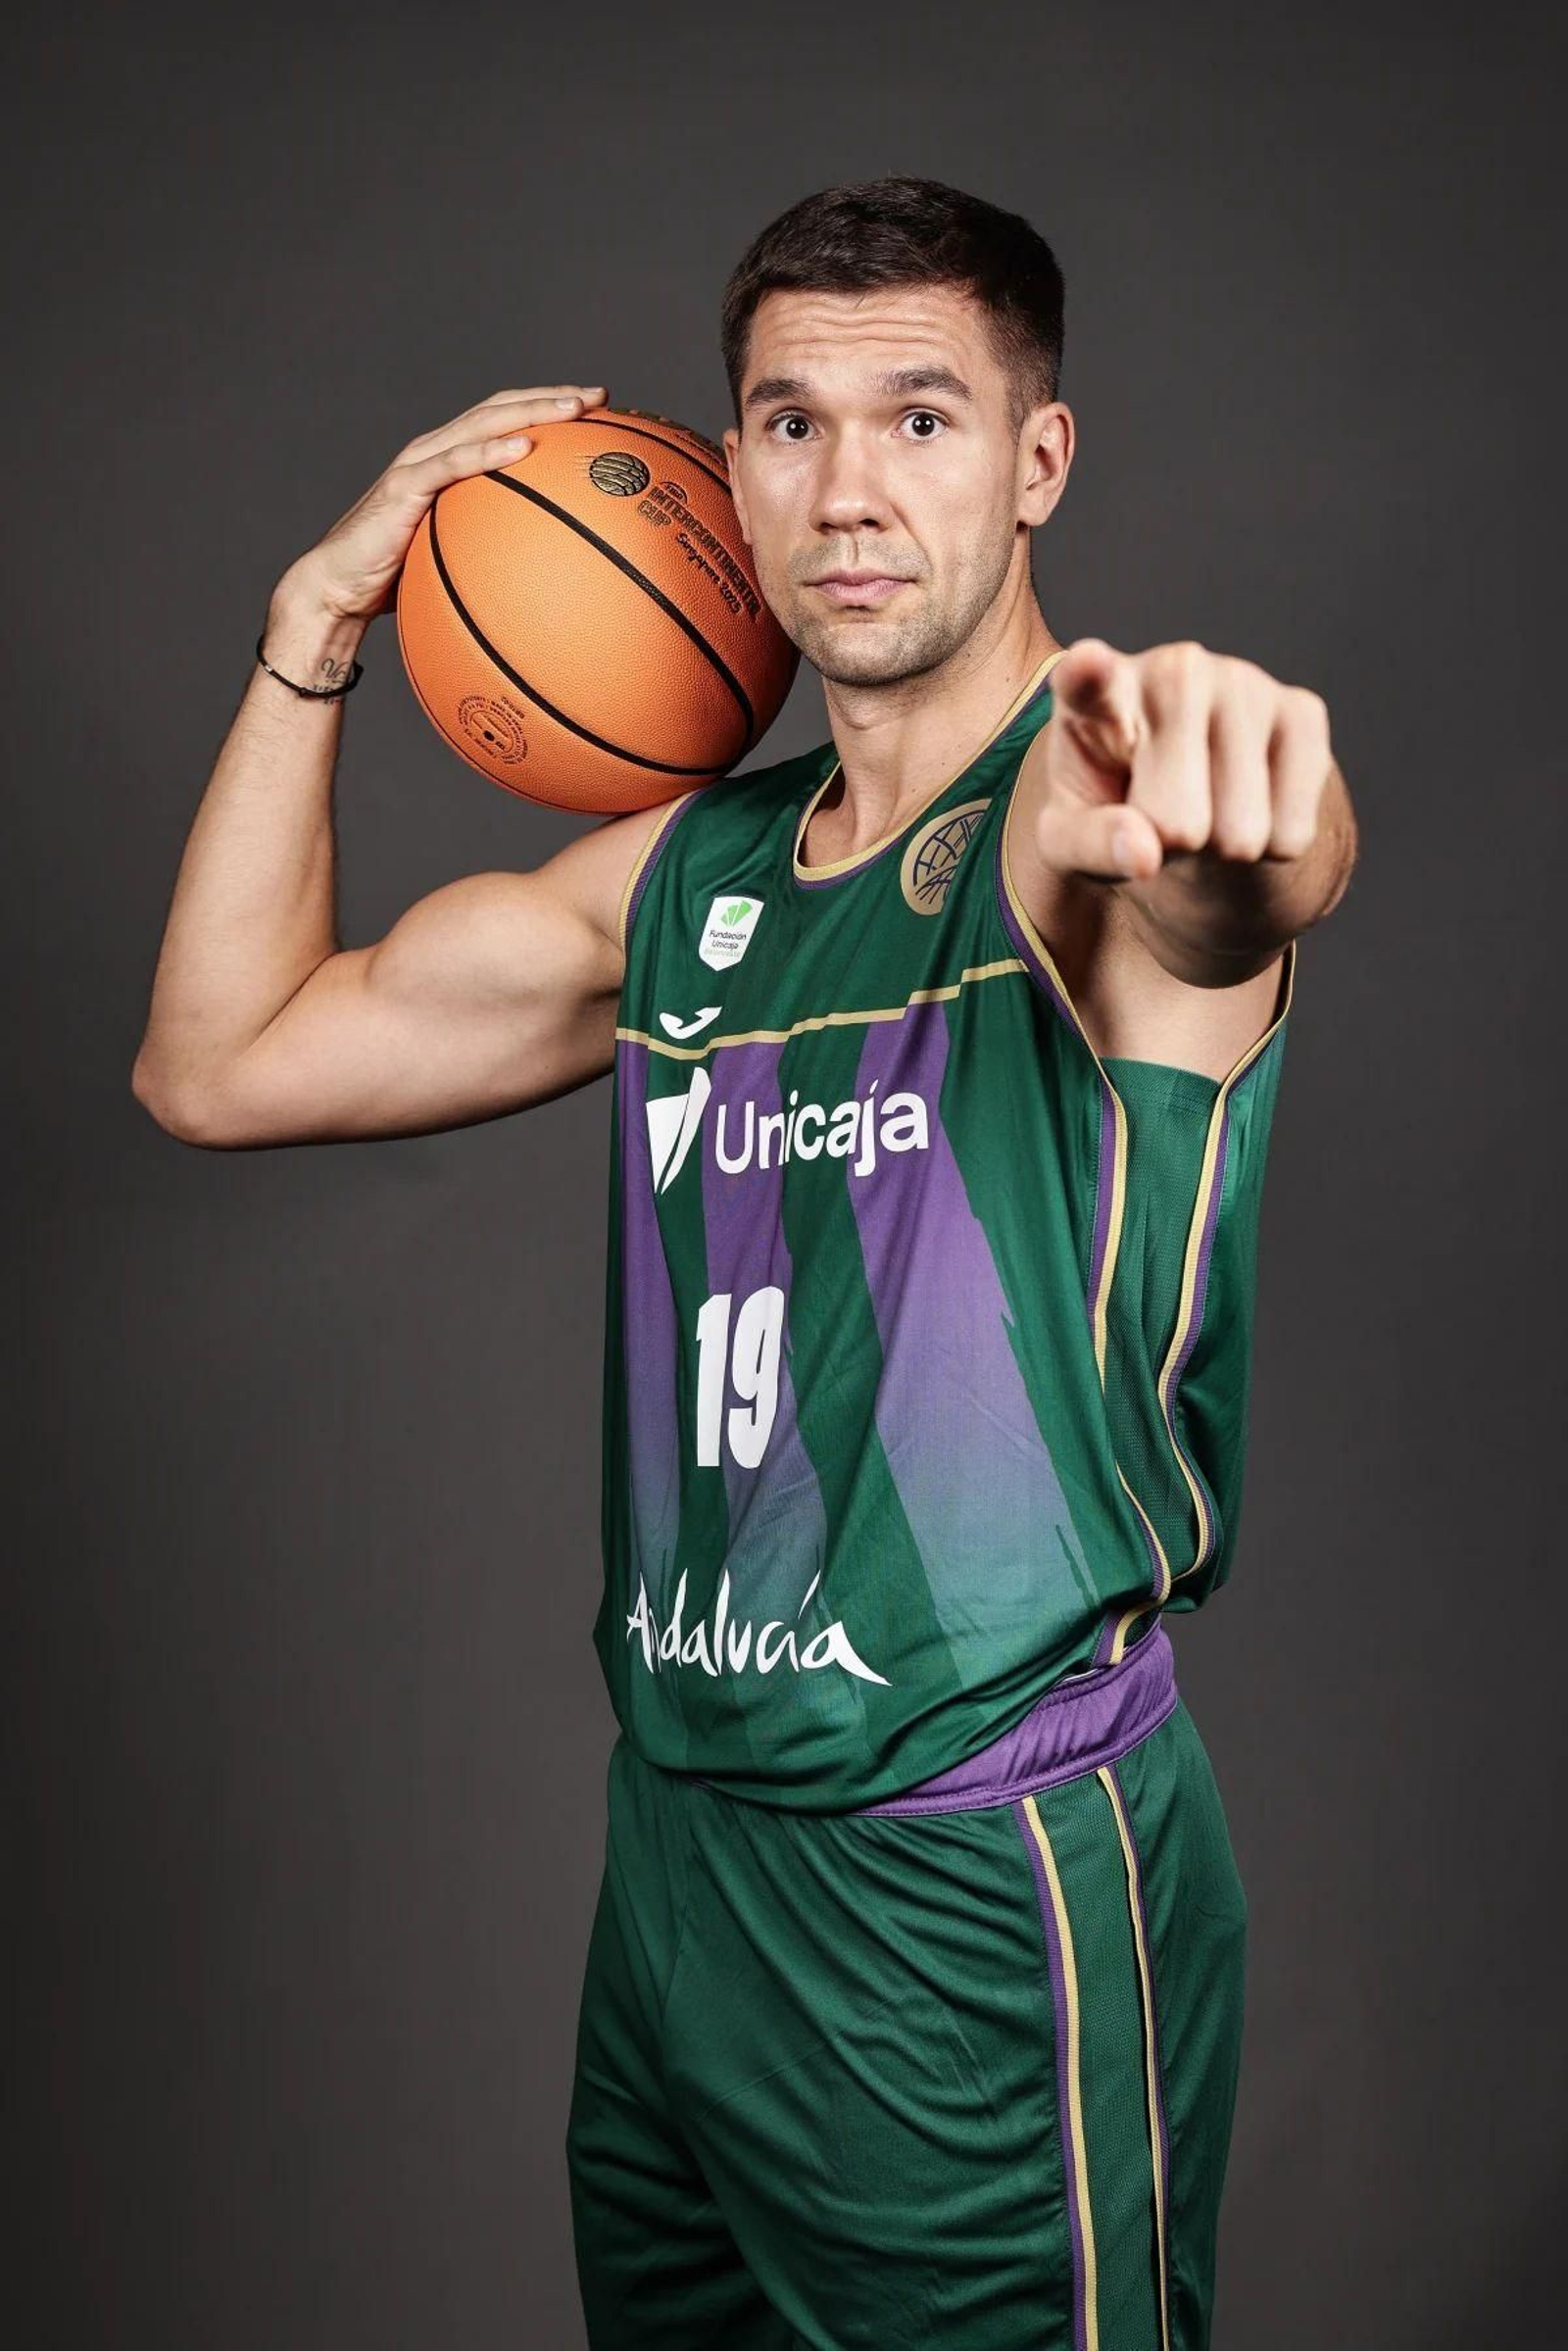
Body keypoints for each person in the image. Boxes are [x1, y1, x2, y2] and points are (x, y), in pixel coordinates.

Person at [132, 175, 1357, 2350]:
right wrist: (314, 624)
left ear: (1038, 459)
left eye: (921, 419)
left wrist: (1244, 828)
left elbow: (1214, 896)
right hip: (683, 1871)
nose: (847, 489)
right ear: (727, 469)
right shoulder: (684, 882)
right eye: (791, 424)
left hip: (967, 1881)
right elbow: (217, 1062)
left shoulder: (1079, 830)